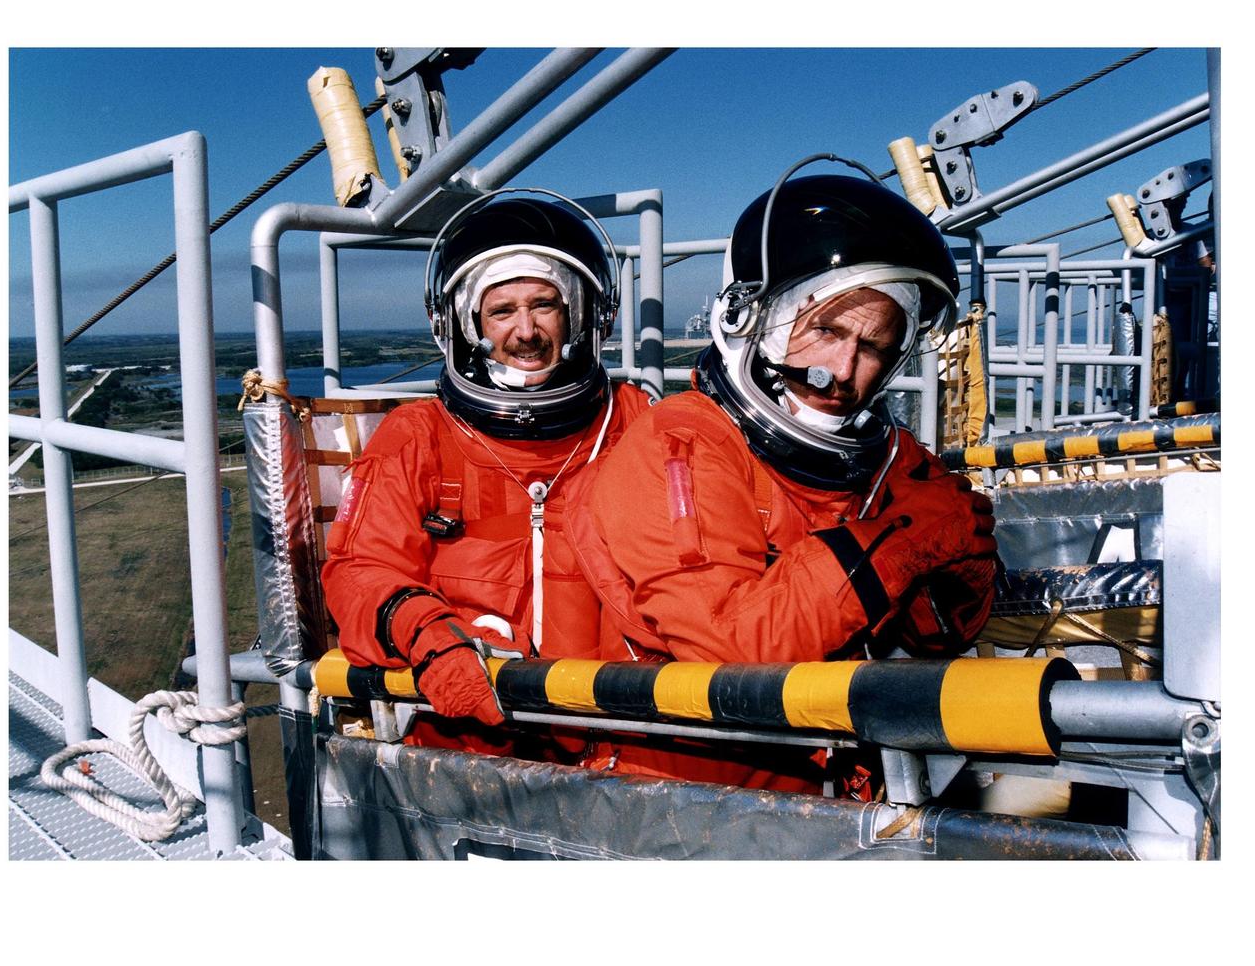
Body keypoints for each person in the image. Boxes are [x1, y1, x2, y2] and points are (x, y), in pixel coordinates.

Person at [565, 168, 998, 793]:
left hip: (841, 784)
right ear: (754, 318)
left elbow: (942, 632)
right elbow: (734, 651)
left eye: (874, 346)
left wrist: (963, 567)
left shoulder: (888, 458)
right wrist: (901, 545)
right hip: (689, 793)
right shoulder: (682, 442)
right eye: (826, 330)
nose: (844, 370)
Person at [321, 193, 651, 756]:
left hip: (623, 726)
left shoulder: (632, 423)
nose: (525, 331)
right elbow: (360, 571)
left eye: (544, 305)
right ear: (466, 323)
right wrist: (428, 635)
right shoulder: (421, 435)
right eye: (501, 311)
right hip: (473, 728)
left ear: (580, 315)